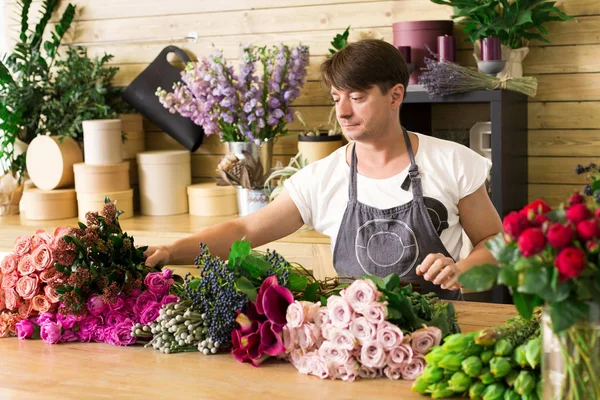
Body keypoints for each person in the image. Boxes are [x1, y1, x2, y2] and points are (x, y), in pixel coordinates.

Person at [144, 39, 503, 300]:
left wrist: (462, 271)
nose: (343, 112)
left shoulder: (454, 162)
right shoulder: (320, 178)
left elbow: (495, 242)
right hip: (352, 336)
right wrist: (173, 251)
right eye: (337, 98)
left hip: (444, 331)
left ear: (395, 95)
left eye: (357, 98)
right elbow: (243, 229)